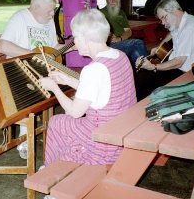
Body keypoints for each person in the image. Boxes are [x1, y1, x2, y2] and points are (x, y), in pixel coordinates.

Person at [40, 9, 136, 168]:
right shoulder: (120, 55)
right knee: (66, 121)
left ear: (85, 38)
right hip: (120, 129)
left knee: (57, 122)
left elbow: (75, 112)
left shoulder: (93, 69)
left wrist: (54, 88)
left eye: (75, 37)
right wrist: (68, 80)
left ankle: (53, 171)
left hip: (103, 141)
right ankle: (64, 160)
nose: (74, 42)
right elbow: (101, 92)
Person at [0, 0, 66, 159]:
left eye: (54, 10)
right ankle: (24, 139)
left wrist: (70, 47)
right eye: (50, 11)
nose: (53, 14)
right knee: (32, 86)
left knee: (69, 81)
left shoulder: (48, 20)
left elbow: (52, 49)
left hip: (41, 69)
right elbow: (3, 46)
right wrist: (33, 55)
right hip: (17, 69)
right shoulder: (20, 18)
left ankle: (58, 133)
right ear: (36, 7)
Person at [134, 0, 194, 100]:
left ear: (174, 11)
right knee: (142, 76)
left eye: (164, 18)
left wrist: (154, 67)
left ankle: (138, 109)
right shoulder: (183, 21)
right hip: (182, 67)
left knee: (142, 82)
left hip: (187, 73)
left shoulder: (189, 28)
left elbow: (179, 62)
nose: (163, 22)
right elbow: (171, 33)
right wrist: (160, 48)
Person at [99, 0, 148, 65]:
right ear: (106, 0)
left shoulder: (121, 13)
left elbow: (129, 31)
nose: (113, 1)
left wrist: (120, 38)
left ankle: (142, 70)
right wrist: (109, 35)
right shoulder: (100, 13)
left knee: (135, 54)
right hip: (110, 45)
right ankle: (151, 67)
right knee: (138, 43)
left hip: (122, 41)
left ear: (118, 0)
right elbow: (97, 30)